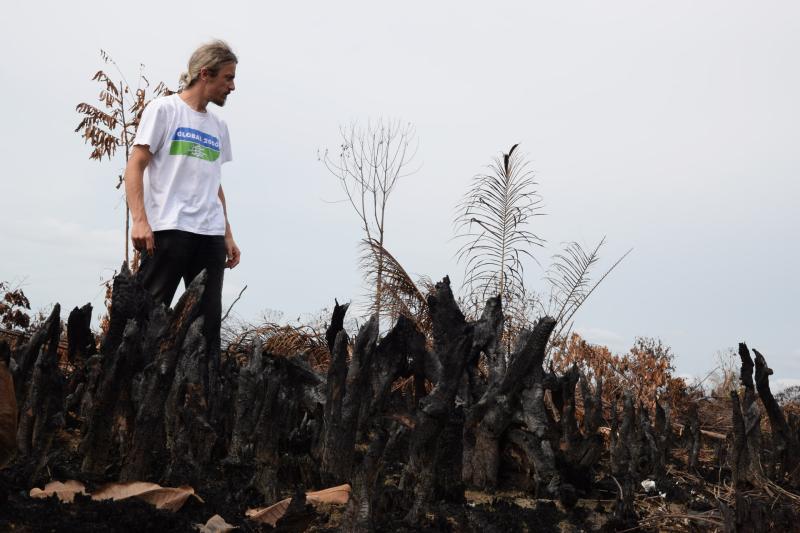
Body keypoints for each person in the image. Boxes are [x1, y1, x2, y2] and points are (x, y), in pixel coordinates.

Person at [124, 40, 241, 359]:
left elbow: (214, 182)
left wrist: (227, 234)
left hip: (210, 237)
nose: (232, 86)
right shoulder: (164, 110)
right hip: (167, 231)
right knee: (145, 320)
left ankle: (199, 401)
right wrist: (139, 220)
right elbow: (135, 165)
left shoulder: (219, 126)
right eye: (227, 78)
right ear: (205, 74)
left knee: (205, 333)